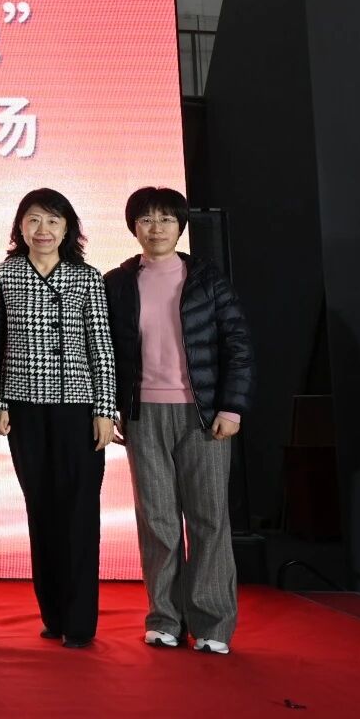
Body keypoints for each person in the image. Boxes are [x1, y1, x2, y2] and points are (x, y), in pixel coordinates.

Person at [104, 186, 254, 654]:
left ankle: (212, 625)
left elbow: (238, 345)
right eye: (146, 220)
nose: (156, 228)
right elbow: (105, 352)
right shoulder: (117, 282)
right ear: (133, 227)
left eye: (166, 219)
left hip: (203, 416)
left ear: (180, 226)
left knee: (209, 519)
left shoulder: (207, 280)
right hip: (143, 414)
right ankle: (165, 618)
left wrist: (231, 407)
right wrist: (111, 407)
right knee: (157, 521)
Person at [0, 187, 117, 650]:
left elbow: (102, 347)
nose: (42, 230)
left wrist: (105, 410)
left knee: (79, 511)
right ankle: (53, 613)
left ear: (68, 228)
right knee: (40, 508)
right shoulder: (4, 275)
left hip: (77, 408)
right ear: (20, 227)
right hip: (24, 409)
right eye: (33, 220)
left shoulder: (87, 278)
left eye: (52, 221)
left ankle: (79, 621)